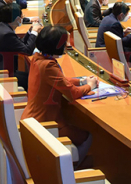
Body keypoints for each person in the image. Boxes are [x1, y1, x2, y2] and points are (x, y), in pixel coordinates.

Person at [22, 25, 97, 164]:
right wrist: (89, 86)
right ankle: (69, 171)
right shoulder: (49, 66)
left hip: (33, 118)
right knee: (88, 137)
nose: (67, 45)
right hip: (46, 123)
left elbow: (59, 80)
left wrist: (81, 81)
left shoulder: (37, 58)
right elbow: (72, 93)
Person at [0, 3, 41, 90]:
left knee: (31, 75)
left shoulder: (3, 27)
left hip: (3, 69)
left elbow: (20, 44)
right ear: (18, 19)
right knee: (35, 79)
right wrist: (35, 32)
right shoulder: (6, 33)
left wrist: (30, 32)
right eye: (22, 17)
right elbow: (27, 51)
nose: (23, 18)